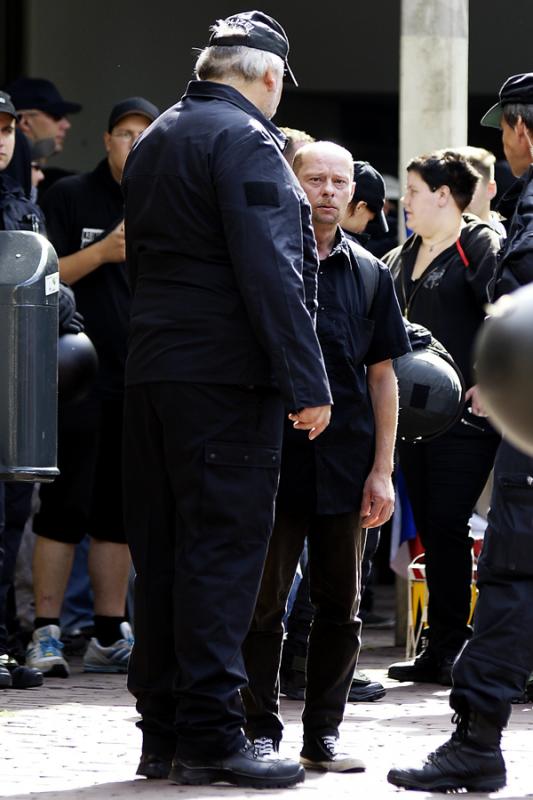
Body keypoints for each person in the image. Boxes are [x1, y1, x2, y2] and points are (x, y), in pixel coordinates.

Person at [121, 11, 332, 789]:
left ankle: (164, 733)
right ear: (269, 76)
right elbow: (272, 269)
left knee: (167, 555)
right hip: (222, 382)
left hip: (154, 375)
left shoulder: (158, 136)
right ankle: (213, 737)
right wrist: (308, 383)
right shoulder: (245, 141)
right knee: (220, 558)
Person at [242, 141, 410, 772]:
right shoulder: (263, 260)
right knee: (263, 604)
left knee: (341, 609)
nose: (330, 190)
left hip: (346, 466)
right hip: (271, 459)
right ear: (292, 180)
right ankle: (258, 729)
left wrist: (383, 470)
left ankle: (323, 736)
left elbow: (383, 376)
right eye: (316, 178)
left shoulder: (369, 271)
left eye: (341, 181)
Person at [387, 71, 533, 794]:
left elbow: (516, 316)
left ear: (521, 131)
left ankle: (476, 737)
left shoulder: (509, 224)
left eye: (505, 128)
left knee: (508, 569)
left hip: (520, 431)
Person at [25, 96, 160, 679]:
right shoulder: (68, 197)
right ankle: (45, 630)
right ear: (106, 140)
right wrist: (104, 251)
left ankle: (110, 631)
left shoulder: (167, 196)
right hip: (75, 379)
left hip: (142, 379)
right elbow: (41, 275)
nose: (133, 143)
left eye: (144, 134)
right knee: (63, 508)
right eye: (124, 133)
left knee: (118, 514)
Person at [384, 150, 502, 686]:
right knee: (432, 527)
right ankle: (438, 646)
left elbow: (509, 313)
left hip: (468, 416)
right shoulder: (399, 255)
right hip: (412, 416)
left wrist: (490, 378)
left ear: (443, 194)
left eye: (412, 190)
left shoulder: (479, 244)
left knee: (449, 524)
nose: (404, 200)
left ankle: (455, 644)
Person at [5, 77, 82, 195]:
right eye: (57, 115)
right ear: (24, 122)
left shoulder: (61, 184)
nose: (66, 125)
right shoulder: (5, 185)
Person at [453, 145, 506, 236]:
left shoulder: (513, 240)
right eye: (452, 186)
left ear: (491, 189)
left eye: (468, 186)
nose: (457, 195)